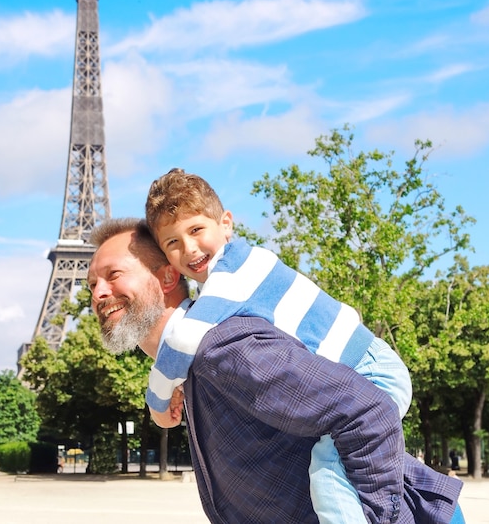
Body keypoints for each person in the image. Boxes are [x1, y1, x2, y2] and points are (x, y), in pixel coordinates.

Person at [87, 218, 465, 524]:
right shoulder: (191, 369)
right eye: (91, 284)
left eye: (114, 274)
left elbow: (369, 411)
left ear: (168, 277)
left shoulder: (218, 347)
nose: (98, 293)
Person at [144, 168, 412, 523]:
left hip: (369, 371)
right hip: (359, 370)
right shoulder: (228, 280)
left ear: (226, 223)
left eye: (196, 230)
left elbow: (183, 338)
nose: (189, 248)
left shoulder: (234, 271)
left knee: (329, 481)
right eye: (172, 243)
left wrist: (157, 401)